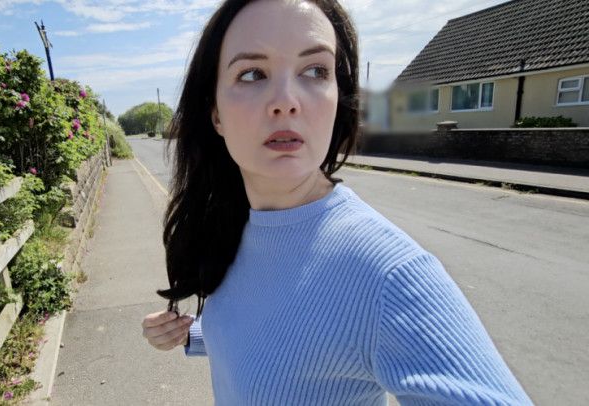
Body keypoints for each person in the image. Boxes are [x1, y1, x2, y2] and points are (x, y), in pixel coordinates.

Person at [141, 0, 532, 404]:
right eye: (253, 73)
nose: (286, 100)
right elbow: (287, 332)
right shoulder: (238, 223)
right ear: (216, 114)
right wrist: (193, 334)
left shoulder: (389, 274)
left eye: (315, 71)